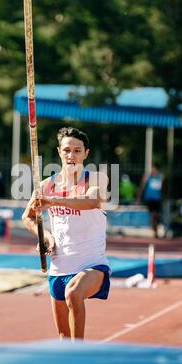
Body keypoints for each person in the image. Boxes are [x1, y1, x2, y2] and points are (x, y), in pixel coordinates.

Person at [22, 127, 111, 341]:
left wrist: (53, 200)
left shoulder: (97, 180)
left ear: (86, 153)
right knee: (63, 336)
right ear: (59, 152)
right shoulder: (46, 185)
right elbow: (27, 217)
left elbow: (92, 202)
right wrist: (44, 236)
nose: (71, 155)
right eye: (67, 150)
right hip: (59, 266)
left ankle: (79, 353)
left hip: (92, 265)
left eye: (77, 151)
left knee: (74, 293)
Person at [137, 165, 164, 238]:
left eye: (154, 170)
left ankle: (155, 228)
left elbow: (163, 188)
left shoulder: (160, 177)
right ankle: (155, 230)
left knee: (157, 215)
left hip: (157, 199)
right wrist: (139, 196)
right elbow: (142, 187)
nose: (153, 171)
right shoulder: (148, 177)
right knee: (153, 214)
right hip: (149, 199)